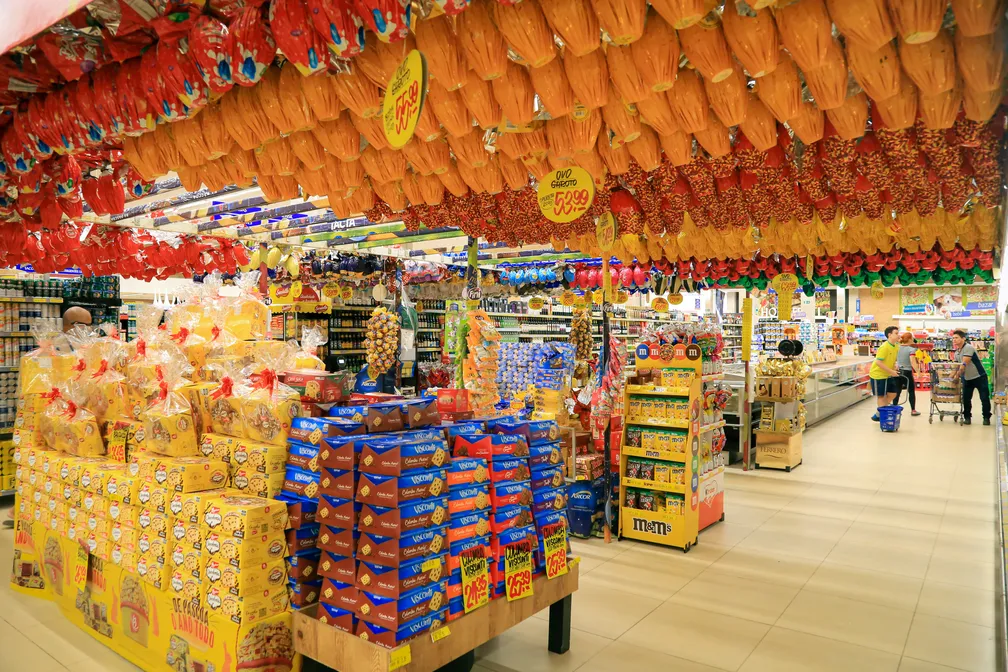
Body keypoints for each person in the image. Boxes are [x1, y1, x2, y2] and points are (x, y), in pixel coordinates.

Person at [953, 329, 991, 425]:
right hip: (967, 378)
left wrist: (957, 376)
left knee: (984, 398)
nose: (954, 340)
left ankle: (986, 417)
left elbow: (963, 364)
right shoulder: (957, 352)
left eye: (956, 338)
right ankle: (967, 417)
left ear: (963, 338)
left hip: (979, 377)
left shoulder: (968, 348)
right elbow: (956, 366)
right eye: (953, 338)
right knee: (966, 399)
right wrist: (949, 377)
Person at [868, 326, 900, 421]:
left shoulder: (896, 346)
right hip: (878, 375)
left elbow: (892, 359)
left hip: (888, 374)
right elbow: (878, 362)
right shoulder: (884, 347)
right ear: (889, 335)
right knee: (881, 396)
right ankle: (881, 416)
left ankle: (880, 412)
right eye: (896, 333)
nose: (898, 335)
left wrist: (895, 365)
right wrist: (891, 371)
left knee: (893, 393)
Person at [897, 332, 921, 416]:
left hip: (898, 371)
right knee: (911, 391)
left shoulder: (897, 348)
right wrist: (918, 371)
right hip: (907, 372)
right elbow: (912, 361)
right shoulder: (911, 349)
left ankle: (894, 409)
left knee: (897, 391)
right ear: (910, 339)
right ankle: (913, 410)